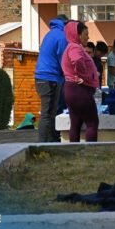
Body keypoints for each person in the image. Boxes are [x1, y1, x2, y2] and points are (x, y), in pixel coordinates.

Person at [62, 21, 100, 142]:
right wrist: (86, 75)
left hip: (71, 89)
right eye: (85, 34)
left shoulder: (70, 47)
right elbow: (77, 60)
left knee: (76, 123)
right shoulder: (74, 47)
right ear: (77, 35)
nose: (88, 37)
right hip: (80, 90)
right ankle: (91, 152)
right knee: (92, 122)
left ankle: (74, 151)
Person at [34, 14, 68, 143]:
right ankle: (43, 144)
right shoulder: (61, 36)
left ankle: (51, 142)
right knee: (48, 114)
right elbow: (63, 60)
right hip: (50, 78)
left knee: (50, 113)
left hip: (42, 77)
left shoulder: (50, 34)